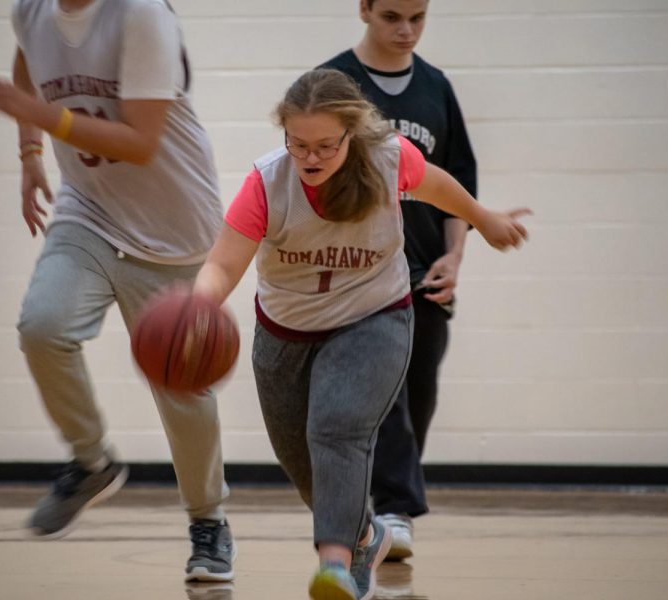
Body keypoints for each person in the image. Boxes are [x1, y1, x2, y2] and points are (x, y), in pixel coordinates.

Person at [191, 69, 529, 600]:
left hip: (374, 317)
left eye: (326, 145)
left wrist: (483, 221)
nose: (311, 157)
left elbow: (439, 186)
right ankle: (365, 536)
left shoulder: (389, 158)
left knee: (336, 429)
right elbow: (223, 264)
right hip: (286, 331)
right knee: (300, 459)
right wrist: (194, 306)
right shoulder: (268, 181)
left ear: (351, 134)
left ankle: (336, 568)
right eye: (299, 143)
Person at [0, 0, 234, 583]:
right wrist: (31, 153)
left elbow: (139, 141)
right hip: (88, 209)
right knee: (43, 325)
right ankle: (91, 462)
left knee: (182, 387)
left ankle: (209, 523)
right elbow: (24, 66)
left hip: (173, 230)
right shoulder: (32, 12)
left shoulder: (139, 14)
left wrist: (37, 114)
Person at [320, 0, 477, 559]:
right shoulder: (332, 84)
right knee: (381, 398)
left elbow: (460, 181)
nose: (406, 29)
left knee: (418, 395)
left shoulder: (435, 87)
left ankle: (385, 504)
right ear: (363, 9)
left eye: (417, 16)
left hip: (427, 269)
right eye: (391, 16)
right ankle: (392, 509)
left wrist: (456, 256)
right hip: (360, 272)